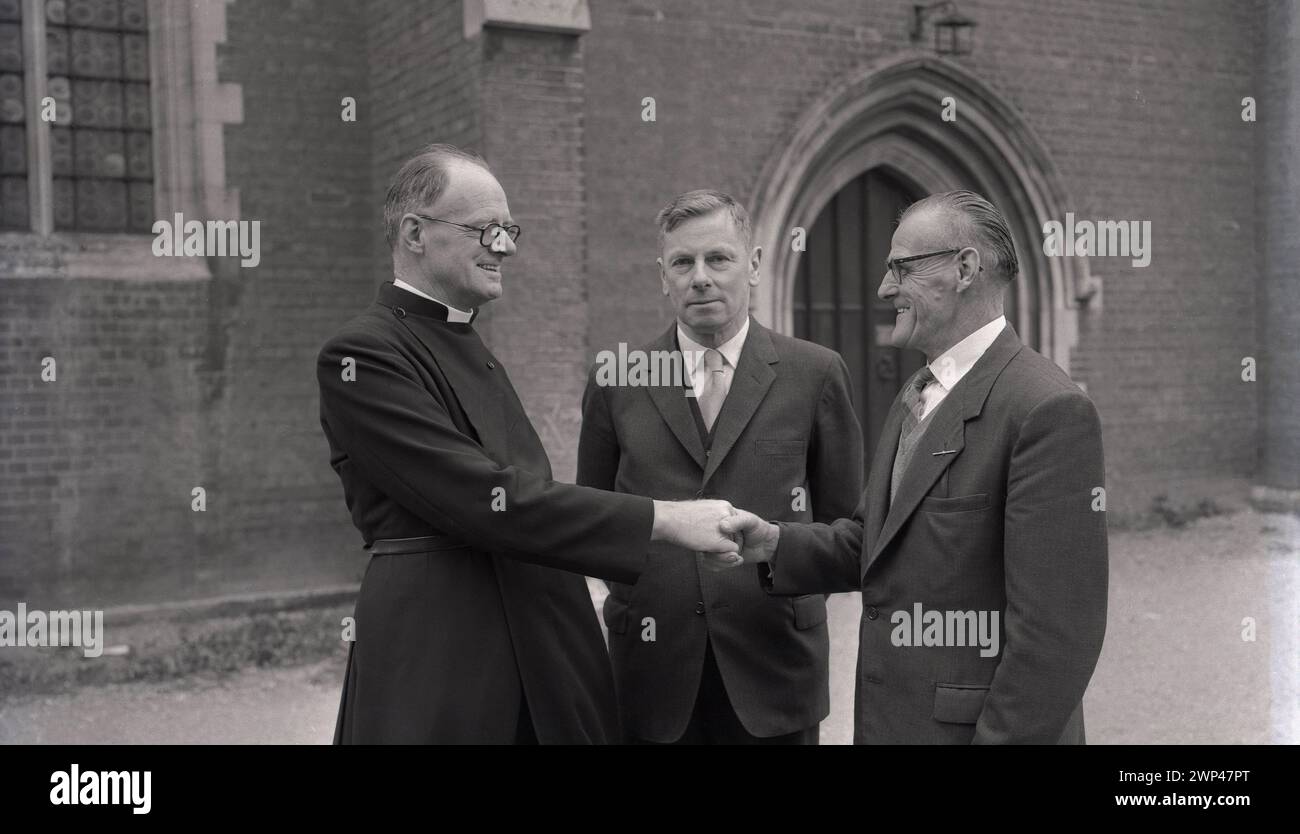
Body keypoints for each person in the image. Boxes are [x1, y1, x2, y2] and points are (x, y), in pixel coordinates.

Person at [317, 144, 739, 744]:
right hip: (443, 652)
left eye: (509, 230)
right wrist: (664, 519)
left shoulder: (469, 343)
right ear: (415, 232)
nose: (505, 247)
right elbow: (483, 498)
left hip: (541, 644)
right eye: (486, 229)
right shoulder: (362, 355)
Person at [723, 190, 1108, 744]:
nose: (884, 289)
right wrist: (772, 543)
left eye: (901, 268)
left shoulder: (1047, 409)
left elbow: (1057, 636)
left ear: (965, 269)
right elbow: (875, 544)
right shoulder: (920, 390)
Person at [577, 190, 862, 744]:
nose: (700, 277)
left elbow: (848, 533)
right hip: (651, 674)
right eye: (683, 262)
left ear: (753, 266)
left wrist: (782, 575)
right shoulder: (618, 379)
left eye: (719, 259)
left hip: (775, 670)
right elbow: (596, 520)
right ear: (663, 276)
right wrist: (649, 596)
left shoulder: (816, 374)